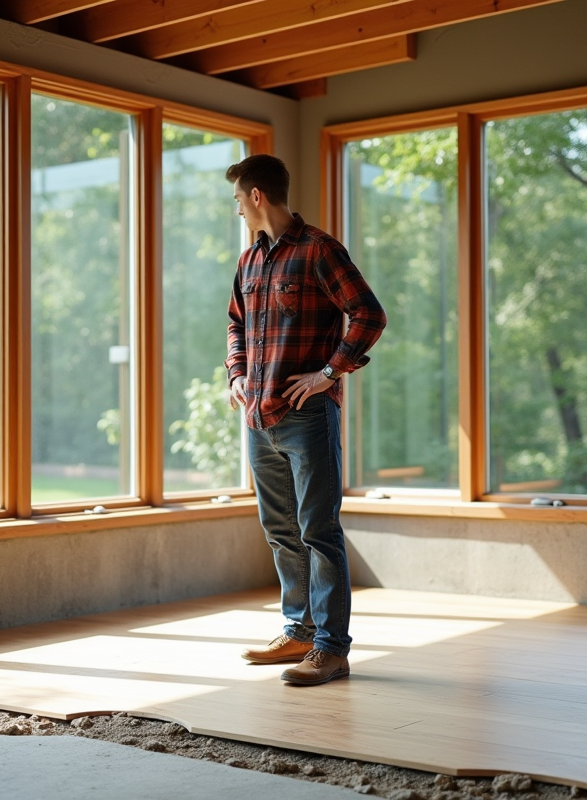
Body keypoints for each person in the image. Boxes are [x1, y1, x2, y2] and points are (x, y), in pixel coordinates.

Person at [224, 154, 386, 686]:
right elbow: (235, 326)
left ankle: (331, 649)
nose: (237, 211)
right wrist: (235, 377)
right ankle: (298, 630)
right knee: (280, 530)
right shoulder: (250, 261)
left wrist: (328, 374)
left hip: (308, 417)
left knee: (319, 531)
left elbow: (369, 314)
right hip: (259, 417)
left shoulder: (320, 249)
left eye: (237, 200)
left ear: (256, 197)